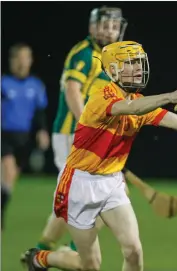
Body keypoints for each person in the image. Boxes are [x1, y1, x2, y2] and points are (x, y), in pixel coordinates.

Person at [22, 40, 177, 271]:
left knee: (133, 251)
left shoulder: (140, 103)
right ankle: (42, 258)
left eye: (138, 63)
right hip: (79, 184)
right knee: (89, 266)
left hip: (111, 182)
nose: (137, 68)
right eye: (130, 63)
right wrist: (170, 96)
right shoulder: (101, 95)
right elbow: (129, 109)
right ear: (113, 70)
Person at [32, 6, 128, 254]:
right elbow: (72, 91)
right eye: (105, 25)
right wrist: (90, 125)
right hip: (71, 135)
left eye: (114, 26)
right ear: (93, 27)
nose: (110, 31)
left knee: (79, 196)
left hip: (90, 138)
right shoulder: (84, 54)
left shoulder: (112, 58)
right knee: (93, 194)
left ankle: (45, 250)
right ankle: (72, 251)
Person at [1, 43, 50, 230]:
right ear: (12, 61)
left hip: (24, 138)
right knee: (8, 170)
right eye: (18, 58)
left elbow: (40, 113)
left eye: (26, 58)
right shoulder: (4, 83)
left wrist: (42, 131)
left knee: (8, 181)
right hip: (4, 136)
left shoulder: (36, 85)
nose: (22, 62)